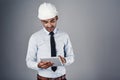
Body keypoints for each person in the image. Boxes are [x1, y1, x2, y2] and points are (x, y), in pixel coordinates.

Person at [26, 2, 74, 80]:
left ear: (57, 18)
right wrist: (38, 65)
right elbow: (29, 61)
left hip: (61, 78)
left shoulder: (64, 36)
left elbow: (71, 57)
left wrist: (65, 60)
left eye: (52, 21)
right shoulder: (35, 37)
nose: (49, 25)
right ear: (41, 21)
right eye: (45, 22)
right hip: (43, 78)